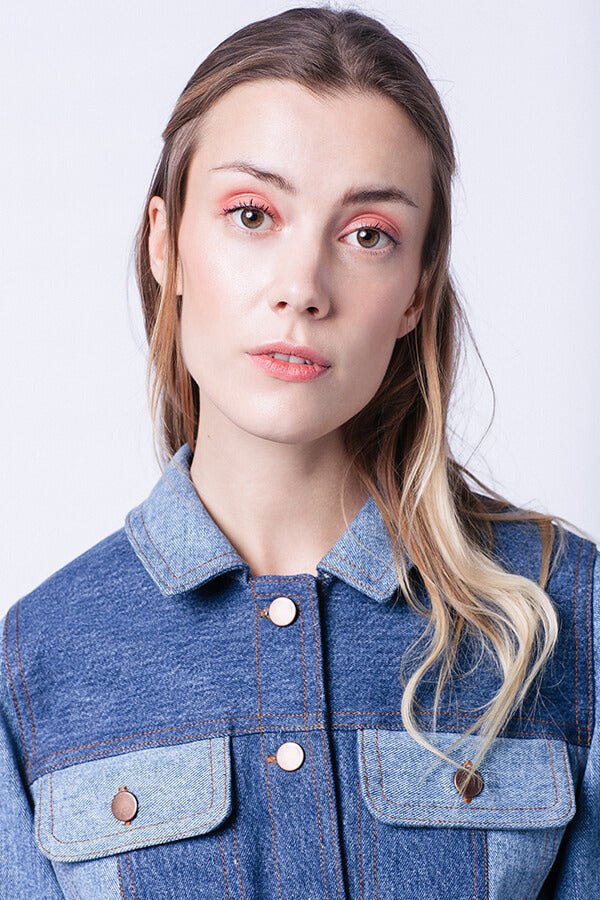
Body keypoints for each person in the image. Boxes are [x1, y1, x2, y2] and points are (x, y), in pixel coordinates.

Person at [1, 6, 598, 898]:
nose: (303, 288)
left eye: (368, 235)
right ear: (166, 242)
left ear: (415, 291)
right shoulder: (39, 660)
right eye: (252, 214)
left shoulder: (566, 615)